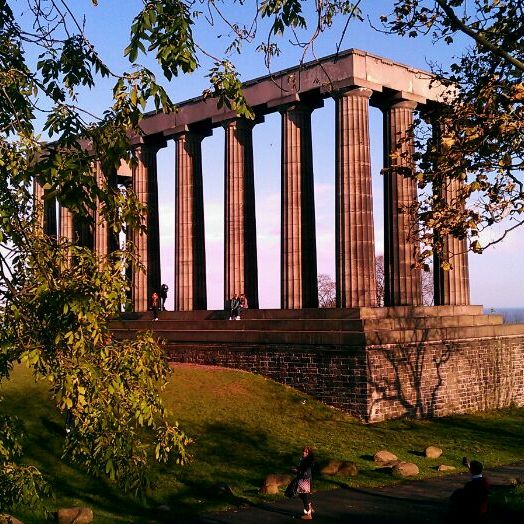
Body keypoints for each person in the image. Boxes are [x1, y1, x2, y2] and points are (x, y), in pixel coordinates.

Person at [449, 457, 489, 522]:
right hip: (482, 509)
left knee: (457, 493)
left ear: (471, 470)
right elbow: (475, 473)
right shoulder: (485, 481)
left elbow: (466, 497)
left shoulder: (471, 485)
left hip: (473, 511)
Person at [287, 446, 315, 520]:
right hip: (302, 479)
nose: (304, 452)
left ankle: (308, 514)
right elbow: (301, 468)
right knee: (301, 495)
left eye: (306, 452)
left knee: (304, 496)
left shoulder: (309, 461)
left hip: (305, 480)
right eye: (303, 451)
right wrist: (296, 468)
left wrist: (297, 471)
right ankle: (309, 506)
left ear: (309, 453)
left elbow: (306, 472)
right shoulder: (304, 459)